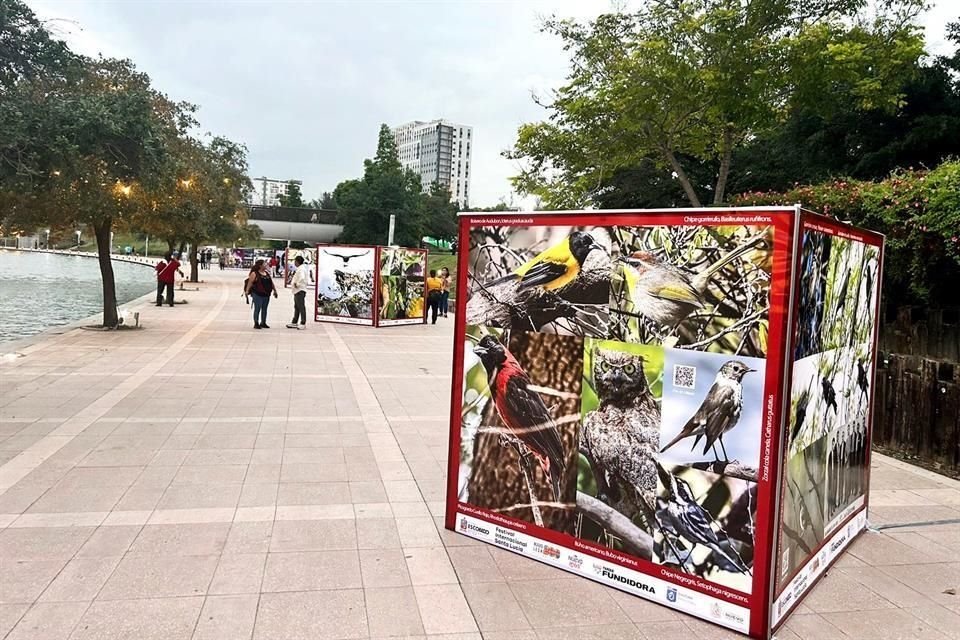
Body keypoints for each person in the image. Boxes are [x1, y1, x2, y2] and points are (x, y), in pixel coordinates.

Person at [244, 259, 278, 329]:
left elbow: (271, 283)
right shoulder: (254, 273)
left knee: (264, 309)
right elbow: (250, 283)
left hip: (266, 294)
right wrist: (247, 291)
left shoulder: (266, 273)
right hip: (257, 294)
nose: (266, 265)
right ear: (260, 265)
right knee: (257, 308)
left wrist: (275, 291)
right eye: (264, 264)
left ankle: (263, 322)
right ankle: (256, 323)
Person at [286, 255, 311, 329]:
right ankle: (294, 322)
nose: (294, 263)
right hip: (297, 291)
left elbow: (302, 277)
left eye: (295, 261)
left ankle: (303, 323)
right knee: (297, 307)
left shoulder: (301, 269)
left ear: (297, 261)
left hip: (300, 290)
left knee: (301, 307)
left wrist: (297, 284)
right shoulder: (300, 268)